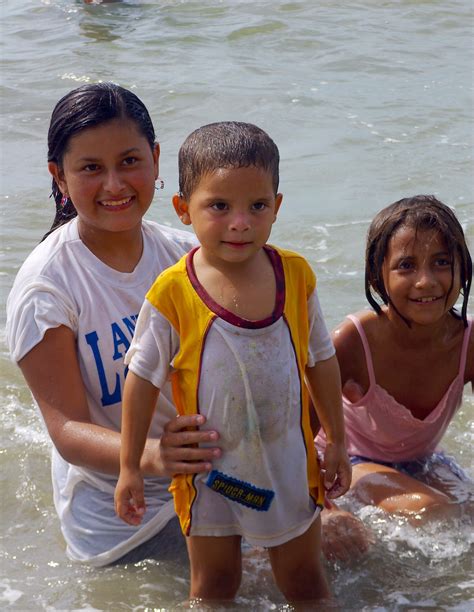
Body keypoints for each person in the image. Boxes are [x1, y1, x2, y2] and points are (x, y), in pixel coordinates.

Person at [114, 121, 351, 603]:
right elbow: (139, 380)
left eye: (257, 206)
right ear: (183, 209)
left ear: (277, 207)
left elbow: (321, 361)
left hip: (287, 463)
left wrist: (339, 442)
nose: (240, 222)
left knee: (305, 581)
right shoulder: (173, 292)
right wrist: (130, 466)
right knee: (214, 586)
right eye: (219, 206)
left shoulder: (295, 276)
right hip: (211, 474)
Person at [6, 82, 223, 567]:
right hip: (123, 522)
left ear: (156, 159)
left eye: (129, 161)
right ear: (58, 177)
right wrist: (153, 458)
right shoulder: (47, 288)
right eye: (90, 169)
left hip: (209, 481)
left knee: (339, 547)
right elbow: (67, 430)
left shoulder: (187, 256)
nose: (115, 185)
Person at [317, 195, 473, 524]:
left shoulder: (469, 342)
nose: (426, 281)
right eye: (406, 265)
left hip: (424, 459)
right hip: (348, 462)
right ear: (378, 277)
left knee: (469, 510)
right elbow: (296, 433)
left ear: (464, 269)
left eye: (442, 262)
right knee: (427, 508)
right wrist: (321, 510)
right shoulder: (353, 342)